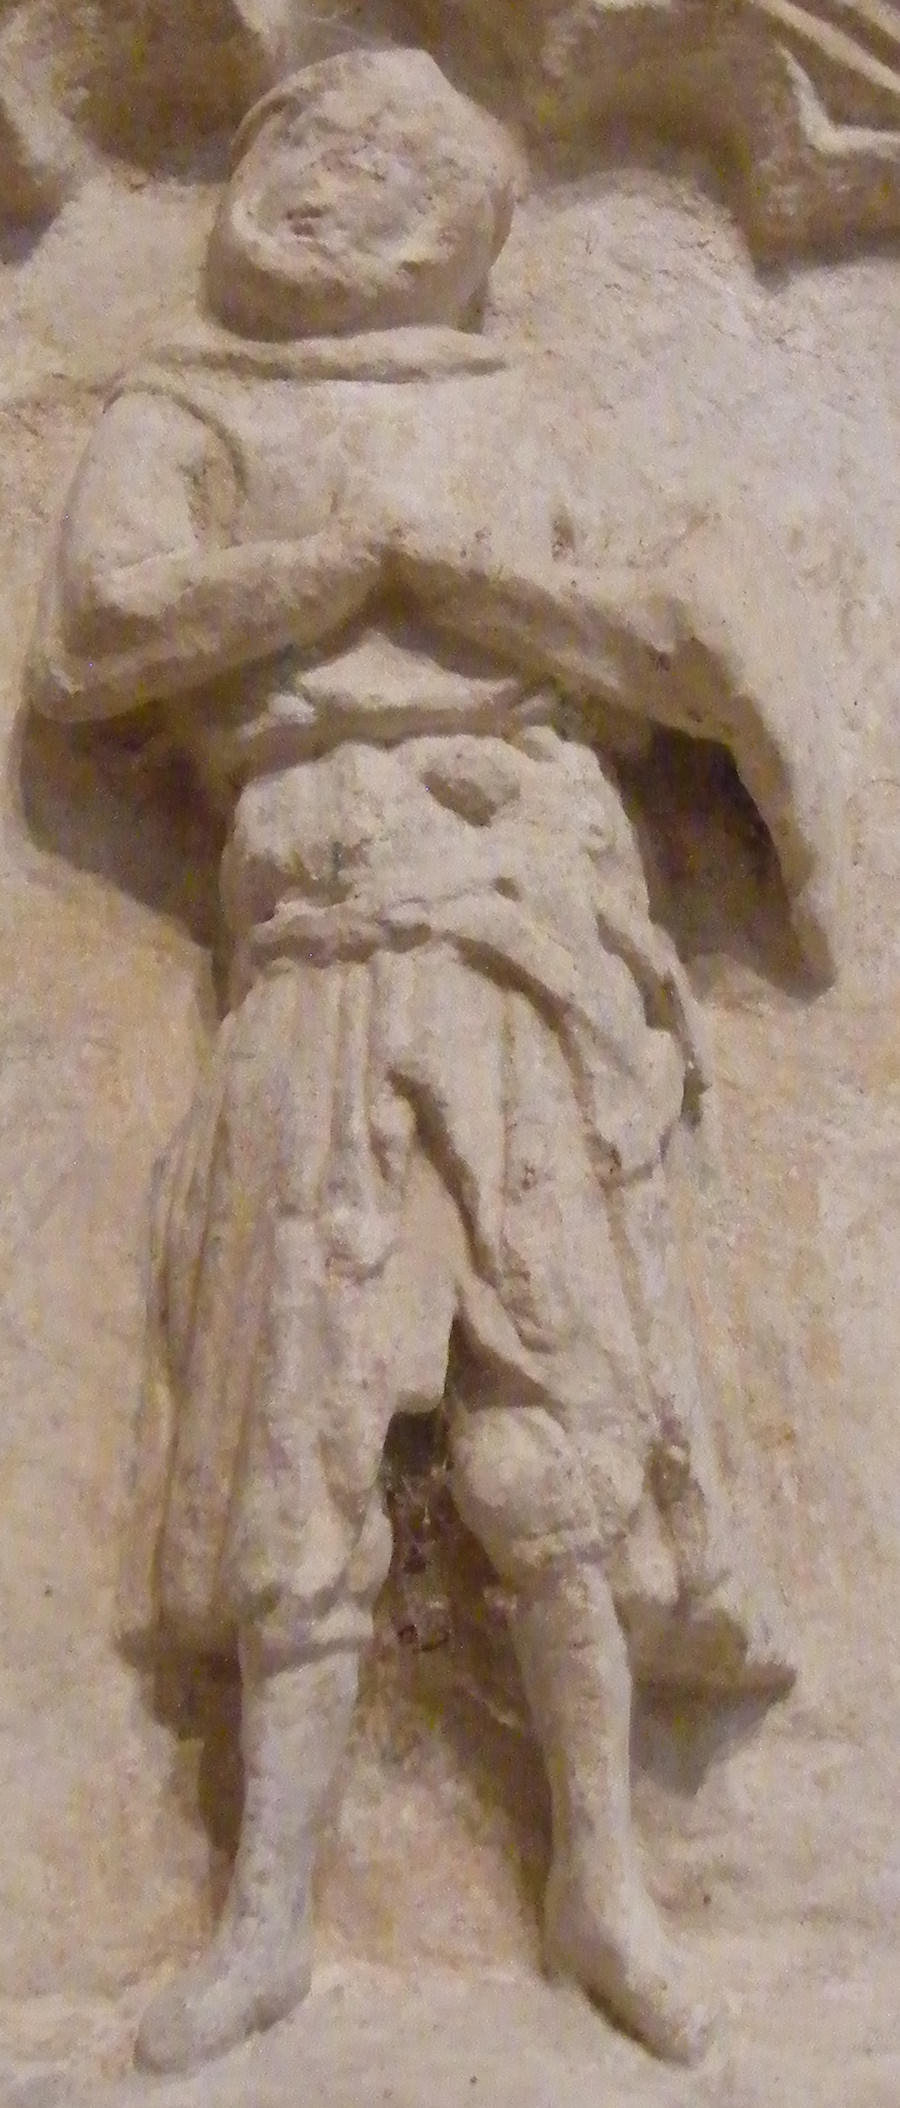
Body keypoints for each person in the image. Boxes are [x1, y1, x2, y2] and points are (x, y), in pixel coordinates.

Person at [28, 46, 824, 2077]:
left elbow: (690, 646)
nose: (327, 179)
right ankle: (268, 1916)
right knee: (298, 1433)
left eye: (386, 160)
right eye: (301, 141)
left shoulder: (533, 416)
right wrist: (343, 570)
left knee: (554, 1433)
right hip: (317, 942)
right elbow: (98, 637)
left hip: (528, 939)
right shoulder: (192, 408)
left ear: (471, 220)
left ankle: (606, 1885)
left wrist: (446, 581)